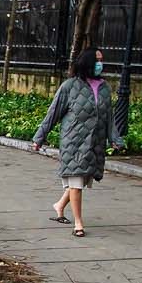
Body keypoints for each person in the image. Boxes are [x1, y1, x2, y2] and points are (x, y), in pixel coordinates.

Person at [31, 49, 113, 237]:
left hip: (95, 142)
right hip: (73, 142)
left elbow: (110, 116)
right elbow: (53, 113)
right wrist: (39, 137)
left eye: (102, 60)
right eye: (97, 60)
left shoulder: (104, 87)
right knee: (76, 181)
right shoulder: (70, 86)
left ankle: (59, 205)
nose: (101, 64)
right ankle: (78, 223)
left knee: (82, 179)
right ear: (87, 62)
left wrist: (114, 138)